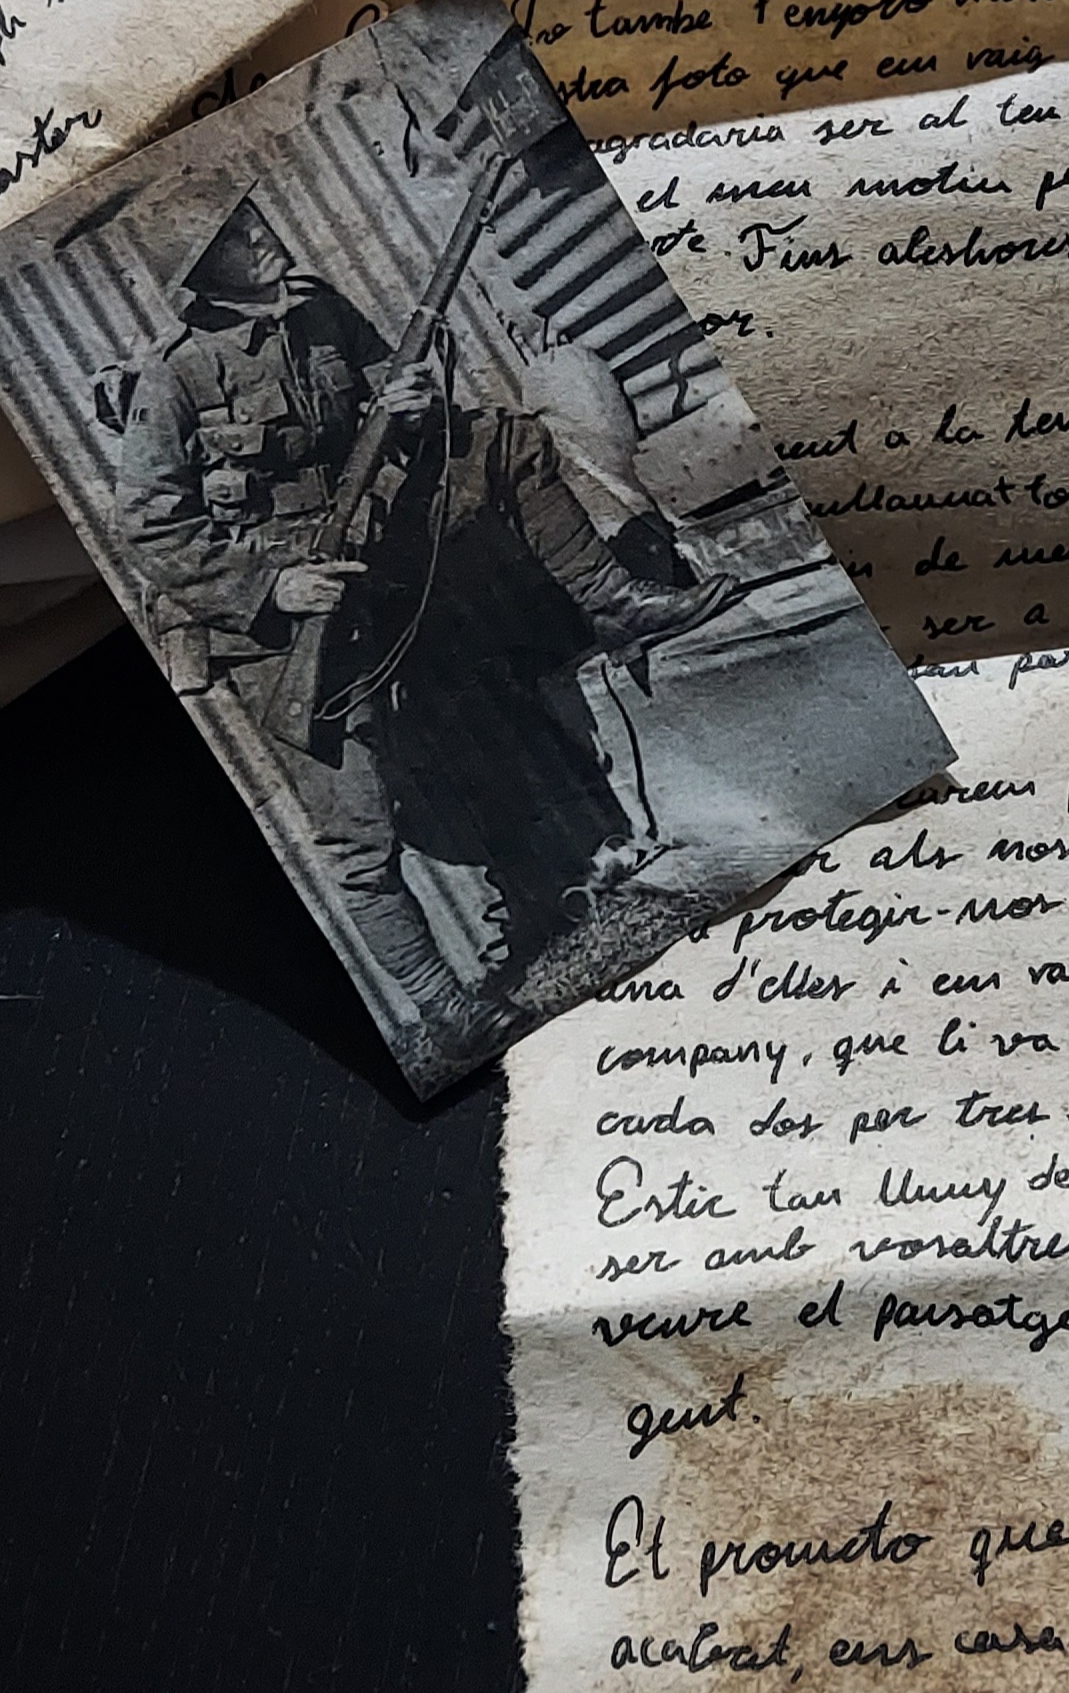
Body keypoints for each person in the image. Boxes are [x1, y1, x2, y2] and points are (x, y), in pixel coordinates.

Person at [109, 190, 734, 1067]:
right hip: (275, 624)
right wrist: (274, 587)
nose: (264, 235)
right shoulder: (173, 376)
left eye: (256, 221)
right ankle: (447, 1011)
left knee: (503, 439)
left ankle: (614, 600)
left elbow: (398, 423)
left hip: (366, 551)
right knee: (356, 834)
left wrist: (410, 406)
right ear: (203, 275)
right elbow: (147, 528)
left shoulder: (320, 310)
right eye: (239, 237)